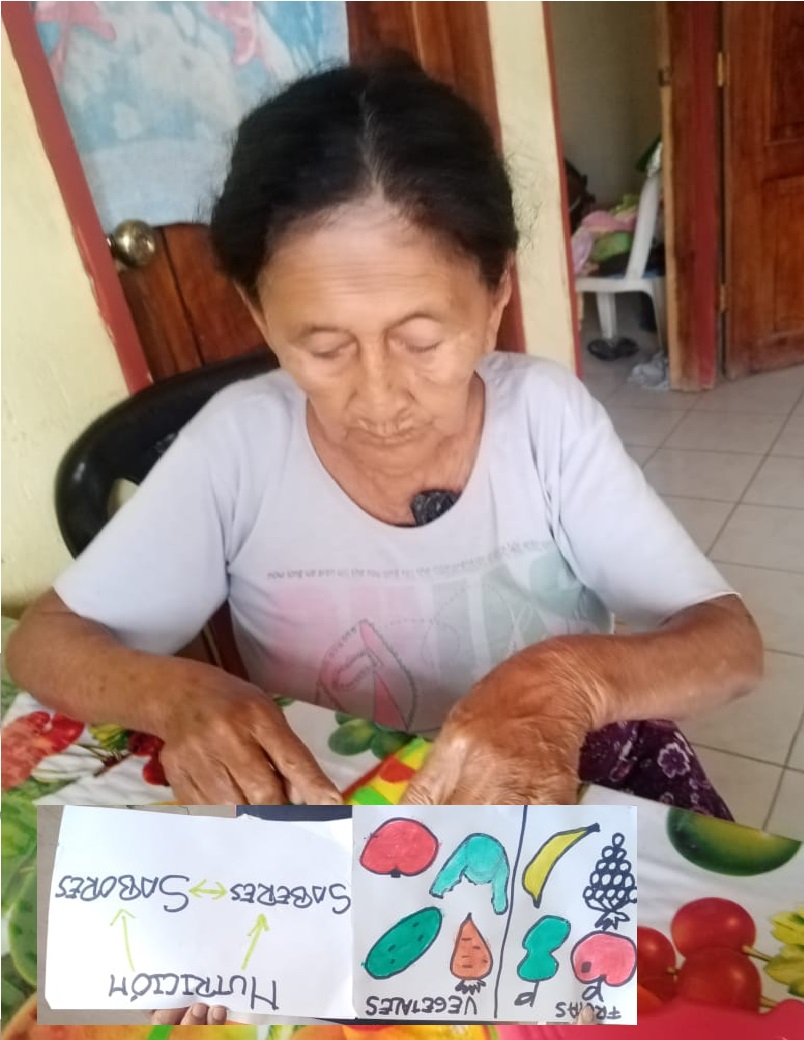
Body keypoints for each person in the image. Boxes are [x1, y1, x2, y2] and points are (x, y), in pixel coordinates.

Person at [7, 59, 762, 813]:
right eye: (325, 348)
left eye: (421, 340)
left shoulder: (546, 420)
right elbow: (44, 644)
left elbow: (728, 644)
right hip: (340, 820)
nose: (379, 396)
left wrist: (570, 681)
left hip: (543, 801)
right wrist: (179, 695)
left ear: (497, 292)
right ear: (260, 314)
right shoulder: (239, 446)